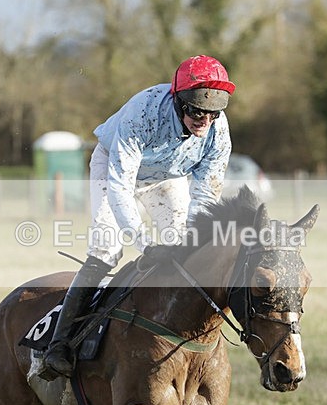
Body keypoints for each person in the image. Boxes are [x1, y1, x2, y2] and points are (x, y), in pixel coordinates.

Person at [39, 55, 236, 380]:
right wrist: (144, 244)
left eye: (213, 112)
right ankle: (59, 345)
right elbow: (119, 187)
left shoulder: (218, 132)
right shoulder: (143, 112)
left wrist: (188, 242)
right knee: (106, 250)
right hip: (114, 170)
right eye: (197, 110)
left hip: (167, 178)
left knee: (181, 250)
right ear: (178, 100)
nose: (205, 120)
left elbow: (205, 196)